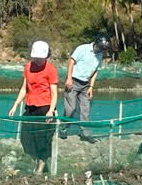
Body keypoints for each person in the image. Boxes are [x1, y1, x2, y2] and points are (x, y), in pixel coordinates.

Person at [8, 40, 59, 174]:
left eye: (41, 58)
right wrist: (15, 104)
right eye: (36, 57)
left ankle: (41, 167)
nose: (38, 60)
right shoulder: (28, 67)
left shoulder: (51, 69)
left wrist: (51, 111)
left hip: (45, 107)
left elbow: (54, 93)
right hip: (30, 106)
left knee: (43, 138)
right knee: (26, 138)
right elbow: (24, 88)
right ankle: (38, 161)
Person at [61, 35, 109, 142]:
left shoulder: (100, 55)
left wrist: (91, 86)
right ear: (96, 43)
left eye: (103, 49)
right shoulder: (83, 48)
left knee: (85, 109)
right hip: (73, 81)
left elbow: (95, 71)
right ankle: (63, 128)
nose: (101, 50)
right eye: (100, 48)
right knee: (71, 109)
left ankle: (84, 133)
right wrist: (69, 78)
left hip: (85, 84)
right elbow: (71, 61)